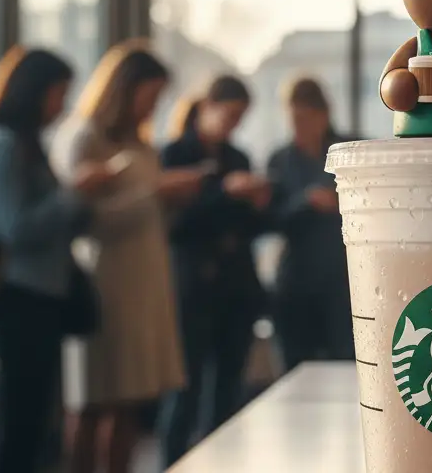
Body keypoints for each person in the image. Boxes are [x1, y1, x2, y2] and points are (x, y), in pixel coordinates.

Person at [50, 43, 203, 473]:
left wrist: (170, 199)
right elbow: (82, 217)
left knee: (130, 402)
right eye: (149, 96)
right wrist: (154, 195)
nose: (153, 107)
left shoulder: (141, 143)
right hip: (106, 283)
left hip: (143, 281)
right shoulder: (83, 137)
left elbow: (146, 212)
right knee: (94, 401)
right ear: (125, 89)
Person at [0, 47, 114, 472]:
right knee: (21, 429)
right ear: (34, 92)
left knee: (36, 427)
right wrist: (74, 194)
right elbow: (15, 228)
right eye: (58, 93)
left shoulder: (29, 147)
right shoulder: (1, 147)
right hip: (17, 298)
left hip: (41, 295)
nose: (61, 106)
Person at [158, 74, 271, 468]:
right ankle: (172, 463)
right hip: (192, 286)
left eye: (241, 118)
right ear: (207, 107)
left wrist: (258, 203)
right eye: (230, 115)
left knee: (228, 390)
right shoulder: (174, 154)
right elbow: (175, 226)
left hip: (235, 287)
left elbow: (251, 229)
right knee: (184, 388)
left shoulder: (237, 157)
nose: (233, 125)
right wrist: (225, 193)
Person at [267, 77, 354, 371]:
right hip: (297, 281)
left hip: (342, 279)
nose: (299, 128)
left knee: (346, 367)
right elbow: (270, 220)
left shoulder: (350, 151)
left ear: (323, 114)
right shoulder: (280, 160)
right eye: (294, 120)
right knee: (294, 370)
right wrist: (306, 202)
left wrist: (340, 203)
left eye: (305, 119)